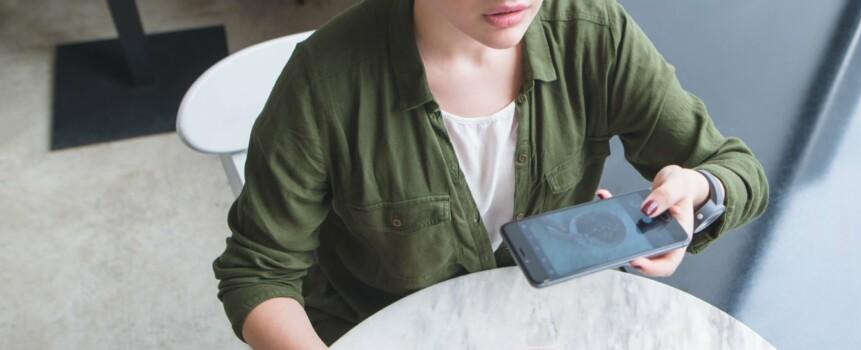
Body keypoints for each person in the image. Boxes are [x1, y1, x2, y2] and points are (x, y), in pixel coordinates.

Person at [212, 0, 769, 347]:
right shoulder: (326, 79)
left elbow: (734, 170)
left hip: (547, 324)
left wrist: (696, 192)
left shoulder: (594, 34)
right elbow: (258, 272)